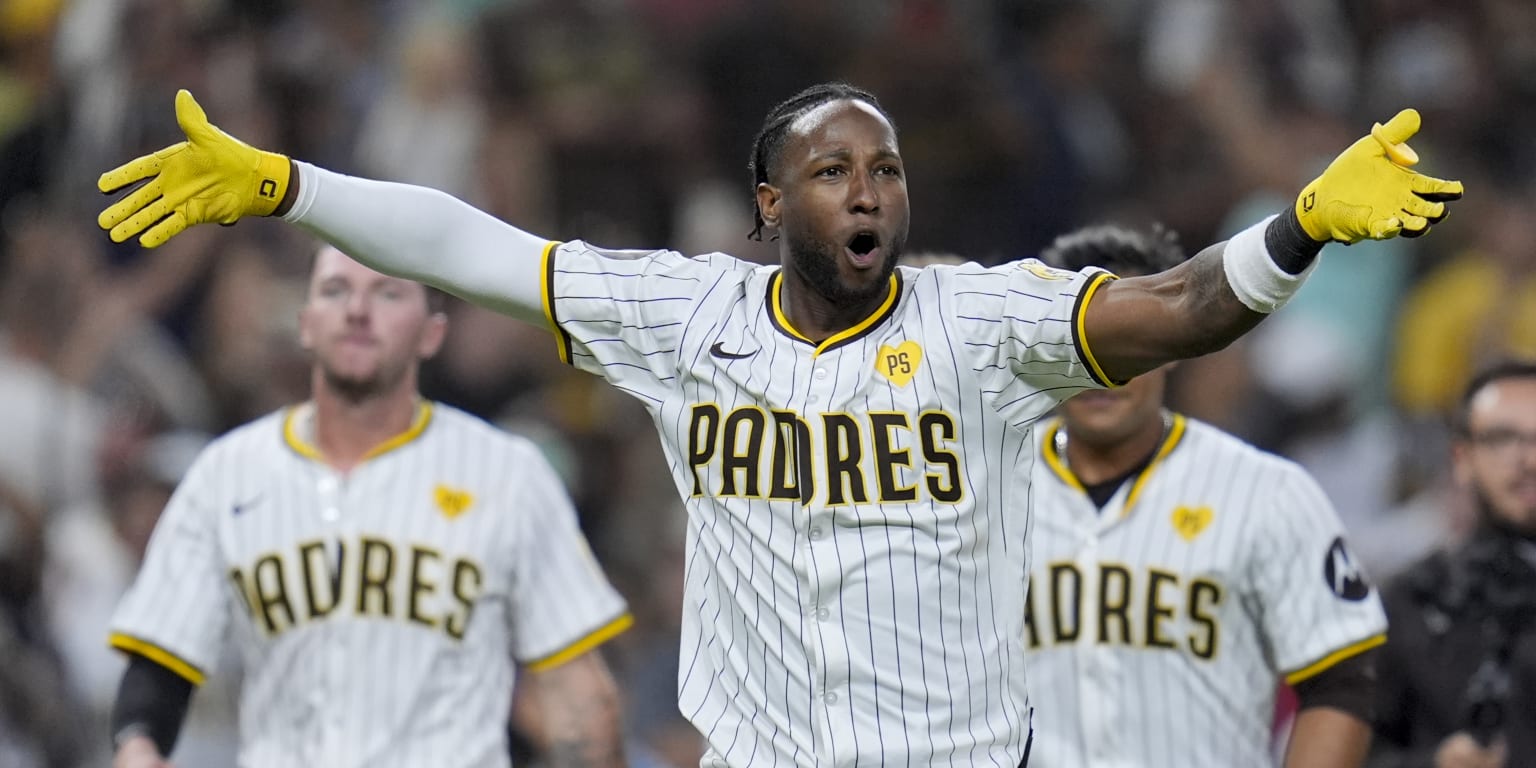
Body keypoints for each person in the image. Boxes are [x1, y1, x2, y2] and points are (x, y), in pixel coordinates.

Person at [95, 82, 1461, 767]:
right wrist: (286, 185)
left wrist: (1291, 233)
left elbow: (1175, 312)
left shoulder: (981, 326)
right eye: (832, 170)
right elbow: (471, 246)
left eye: (887, 169)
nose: (868, 190)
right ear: (768, 204)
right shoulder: (683, 319)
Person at [106, 246, 632, 768]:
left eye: (387, 293)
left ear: (432, 332)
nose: (358, 310)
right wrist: (138, 747)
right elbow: (157, 666)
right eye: (336, 291)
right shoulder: (226, 473)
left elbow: (579, 696)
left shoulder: (508, 474)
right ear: (306, 323)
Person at [1022, 224, 1387, 768]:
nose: (1103, 375)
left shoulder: (1265, 491)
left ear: (1170, 345)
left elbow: (1344, 678)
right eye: (1086, 348)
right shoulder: (984, 483)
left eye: (1125, 344)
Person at [1369, 361, 1536, 768]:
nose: (1527, 459)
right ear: (1461, 457)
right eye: (1502, 437)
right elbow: (1353, 752)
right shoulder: (1415, 599)